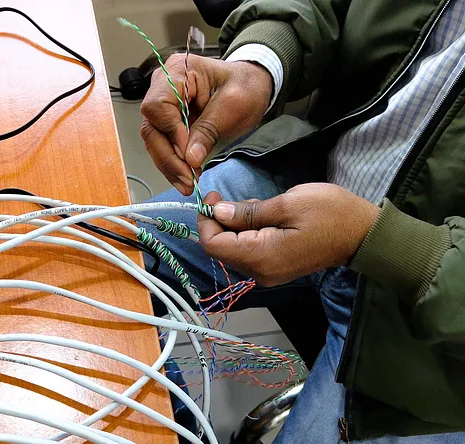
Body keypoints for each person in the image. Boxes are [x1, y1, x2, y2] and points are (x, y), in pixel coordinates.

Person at [139, 0, 465, 442]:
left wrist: (387, 246)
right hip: (310, 176)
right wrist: (259, 64)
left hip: (437, 345)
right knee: (91, 266)